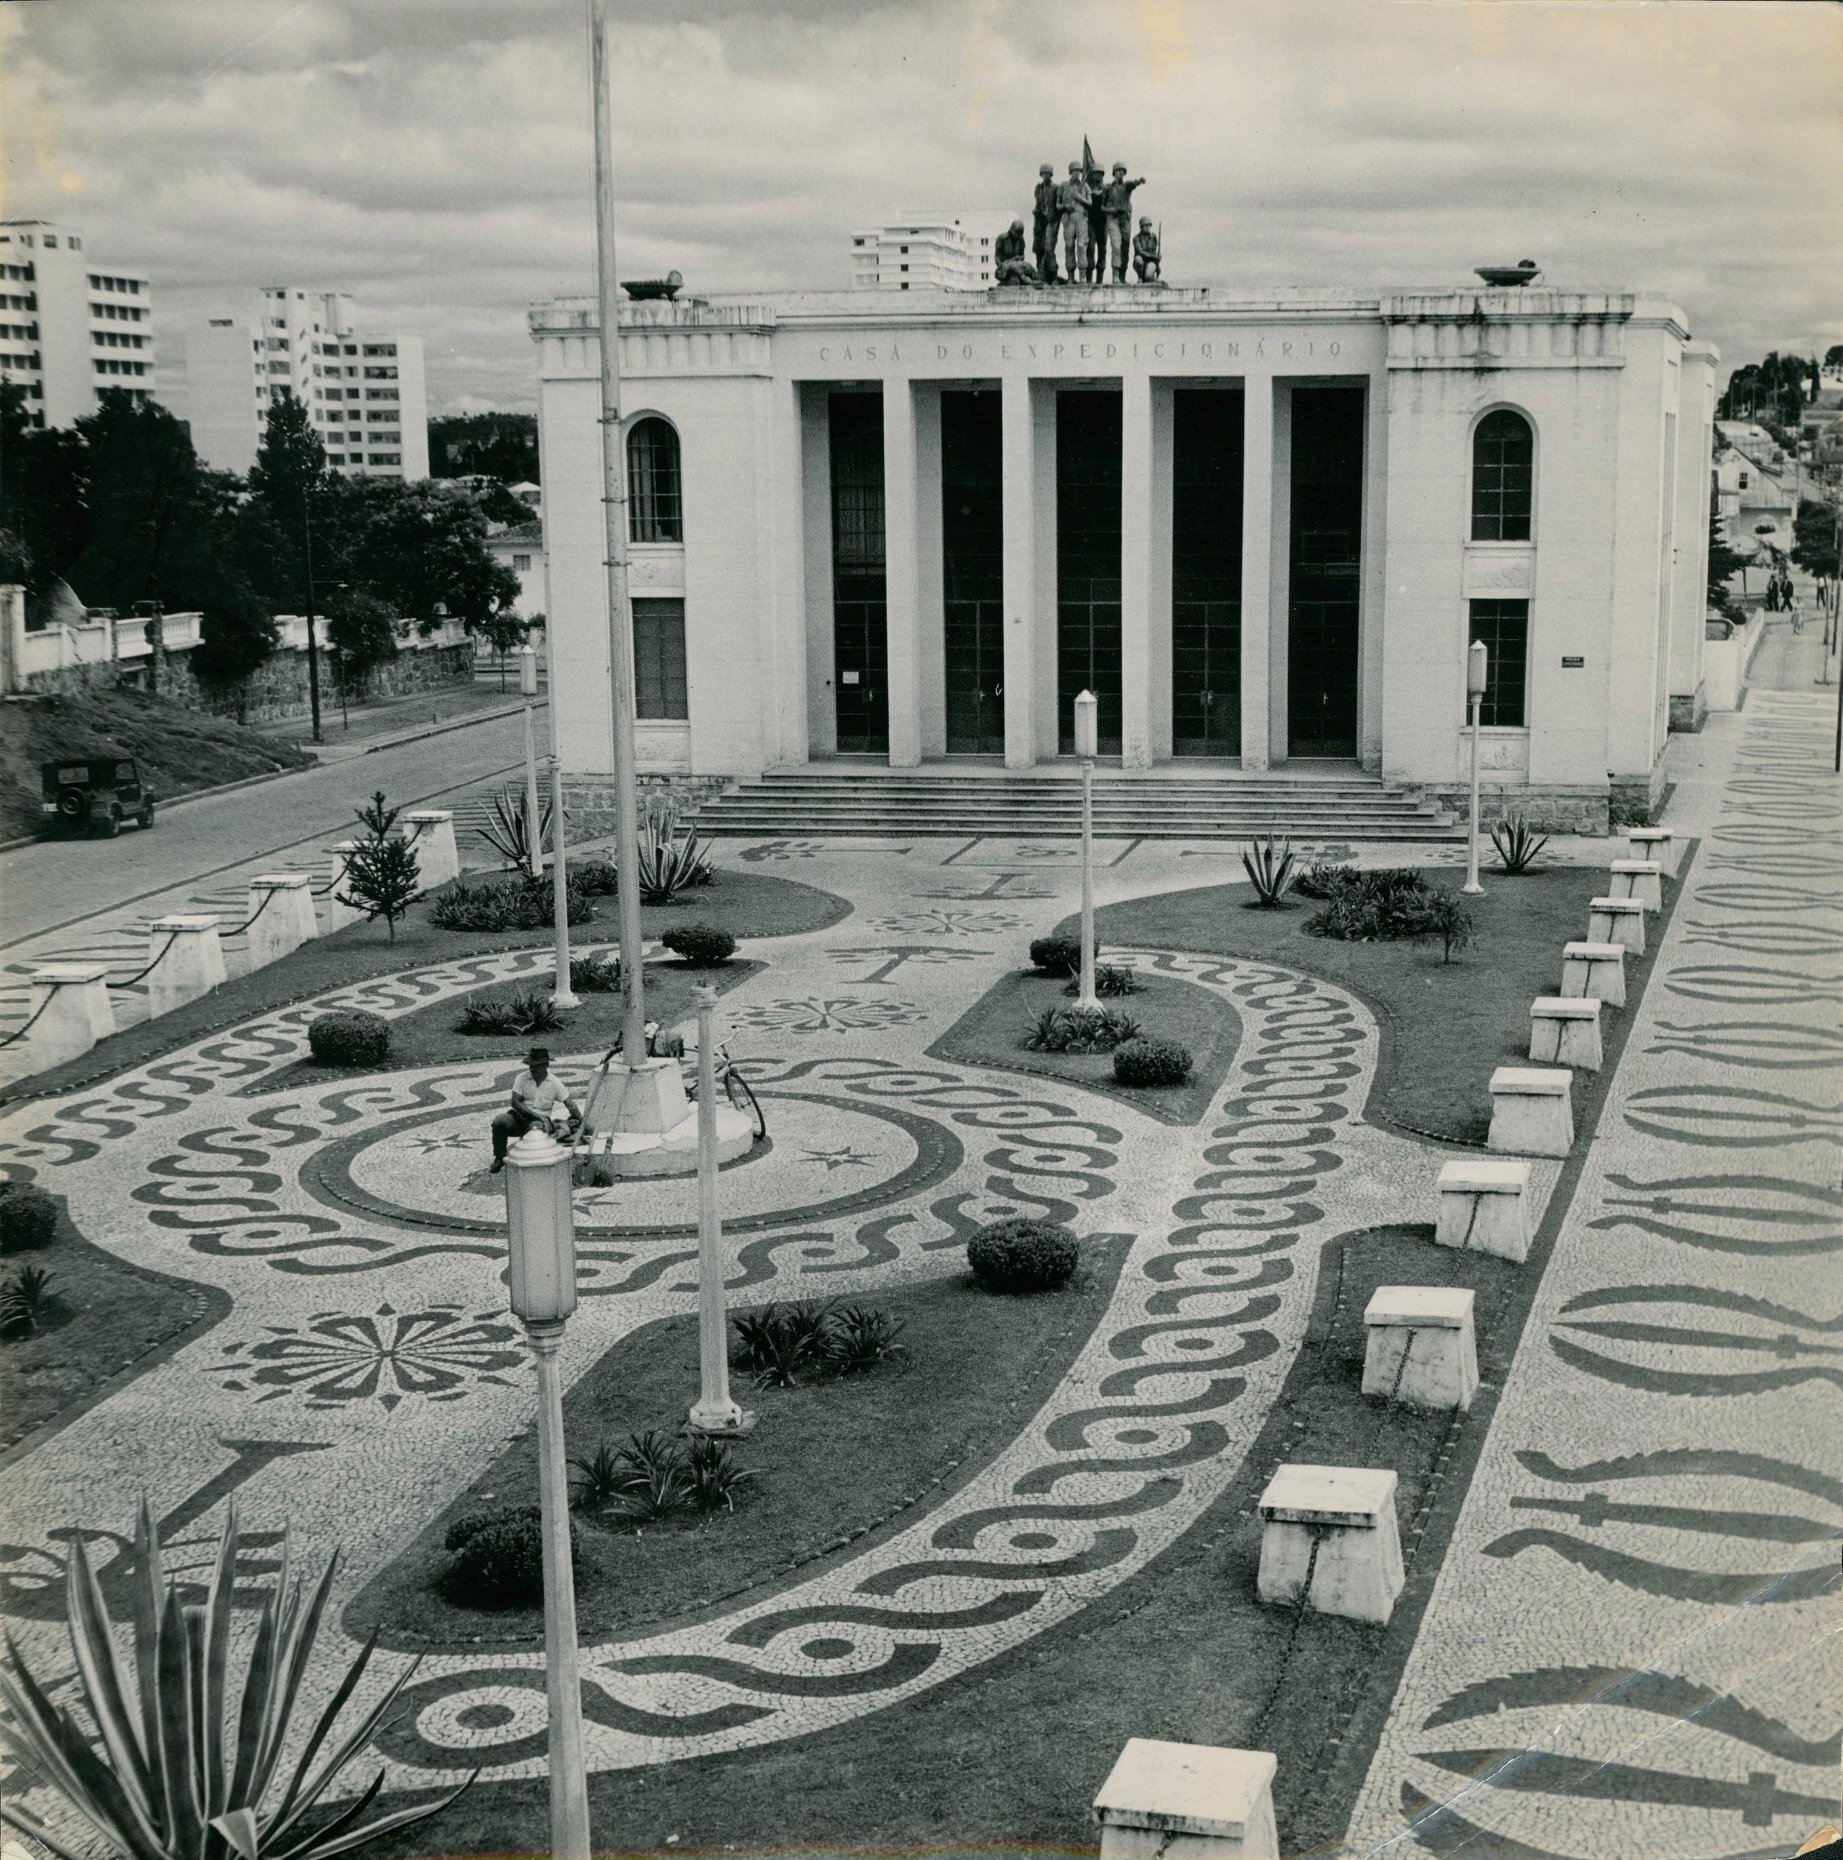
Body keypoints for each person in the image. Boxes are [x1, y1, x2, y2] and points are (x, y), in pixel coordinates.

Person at [490, 1045, 582, 1172]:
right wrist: (533, 1115)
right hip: (519, 1117)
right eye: (531, 1065)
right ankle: (500, 1157)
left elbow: (569, 1103)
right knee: (499, 1121)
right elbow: (515, 1102)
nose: (532, 1069)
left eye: (536, 1066)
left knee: (536, 1128)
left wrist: (580, 1119)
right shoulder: (521, 1078)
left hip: (540, 1121)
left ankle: (533, 1164)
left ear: (545, 1065)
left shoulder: (554, 1082)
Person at [1098, 163, 1145, 282]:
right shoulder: (1108, 188)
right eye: (1118, 170)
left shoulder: (1127, 186)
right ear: (1114, 173)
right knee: (1116, 246)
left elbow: (1133, 184)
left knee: (1125, 247)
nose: (1121, 173)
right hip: (1112, 219)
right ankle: (1116, 275)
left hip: (1125, 220)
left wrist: (1139, 181)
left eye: (1123, 171)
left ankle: (1122, 276)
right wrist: (1112, 210)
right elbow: (1102, 207)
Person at [1056, 161, 1093, 284]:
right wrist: (1065, 206)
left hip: (1081, 218)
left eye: (1079, 171)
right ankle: (1070, 276)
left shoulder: (1085, 186)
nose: (1077, 173)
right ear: (1070, 172)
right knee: (1069, 246)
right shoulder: (1063, 186)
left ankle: (1082, 275)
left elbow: (1090, 203)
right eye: (1074, 171)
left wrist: (1079, 197)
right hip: (1068, 219)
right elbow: (1057, 205)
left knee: (1082, 246)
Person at [1032, 163, 1060, 283]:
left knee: (1049, 249)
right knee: (1039, 249)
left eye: (1048, 173)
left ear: (1051, 175)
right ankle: (1041, 274)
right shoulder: (1038, 188)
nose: (1046, 176)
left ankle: (1053, 274)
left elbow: (1058, 206)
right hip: (1039, 221)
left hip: (1051, 221)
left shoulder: (1055, 188)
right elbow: (1037, 204)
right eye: (1044, 173)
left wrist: (1055, 221)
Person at [994, 217, 1040, 286]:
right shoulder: (1002, 239)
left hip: (1017, 263)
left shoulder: (1020, 239)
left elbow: (1022, 255)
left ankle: (1036, 279)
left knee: (1028, 266)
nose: (1017, 237)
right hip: (1004, 267)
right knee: (1015, 267)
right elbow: (997, 257)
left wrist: (1019, 258)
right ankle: (1026, 280)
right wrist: (1003, 264)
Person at [1132, 217, 1162, 283]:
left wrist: (1157, 258)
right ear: (1141, 227)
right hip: (1141, 260)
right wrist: (1153, 256)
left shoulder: (1153, 236)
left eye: (1149, 225)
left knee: (1148, 277)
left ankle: (1151, 278)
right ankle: (1140, 277)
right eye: (1145, 225)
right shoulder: (1136, 238)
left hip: (1151, 261)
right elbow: (1140, 252)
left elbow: (1154, 250)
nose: (1148, 227)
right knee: (1138, 259)